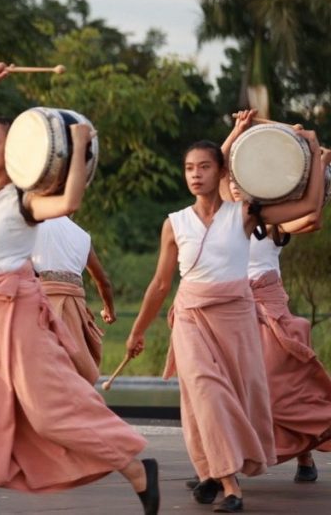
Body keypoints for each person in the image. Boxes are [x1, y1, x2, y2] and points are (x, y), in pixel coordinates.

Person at [0, 63, 158, 515]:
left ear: (16, 150)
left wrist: (77, 148)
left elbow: (71, 202)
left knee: (48, 410)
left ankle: (135, 469)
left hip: (14, 310)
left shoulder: (25, 199)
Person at [126, 110, 323, 513]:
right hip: (191, 316)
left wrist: (316, 153)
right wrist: (138, 330)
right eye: (188, 168)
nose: (195, 174)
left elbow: (308, 203)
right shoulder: (174, 222)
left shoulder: (246, 215)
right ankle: (230, 484)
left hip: (236, 316)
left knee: (237, 396)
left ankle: (216, 472)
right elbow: (161, 285)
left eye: (204, 167)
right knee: (205, 390)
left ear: (220, 172)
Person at [227, 126, 331, 483]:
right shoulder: (222, 217)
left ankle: (304, 453)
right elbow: (220, 166)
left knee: (284, 386)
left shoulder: (272, 223)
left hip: (269, 307)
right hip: (229, 306)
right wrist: (239, 131)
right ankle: (222, 468)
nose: (234, 185)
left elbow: (314, 216)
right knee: (228, 386)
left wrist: (317, 158)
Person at [31, 215, 116, 384]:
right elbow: (103, 281)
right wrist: (109, 310)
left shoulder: (29, 225)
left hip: (39, 305)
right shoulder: (82, 236)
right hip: (74, 311)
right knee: (73, 372)